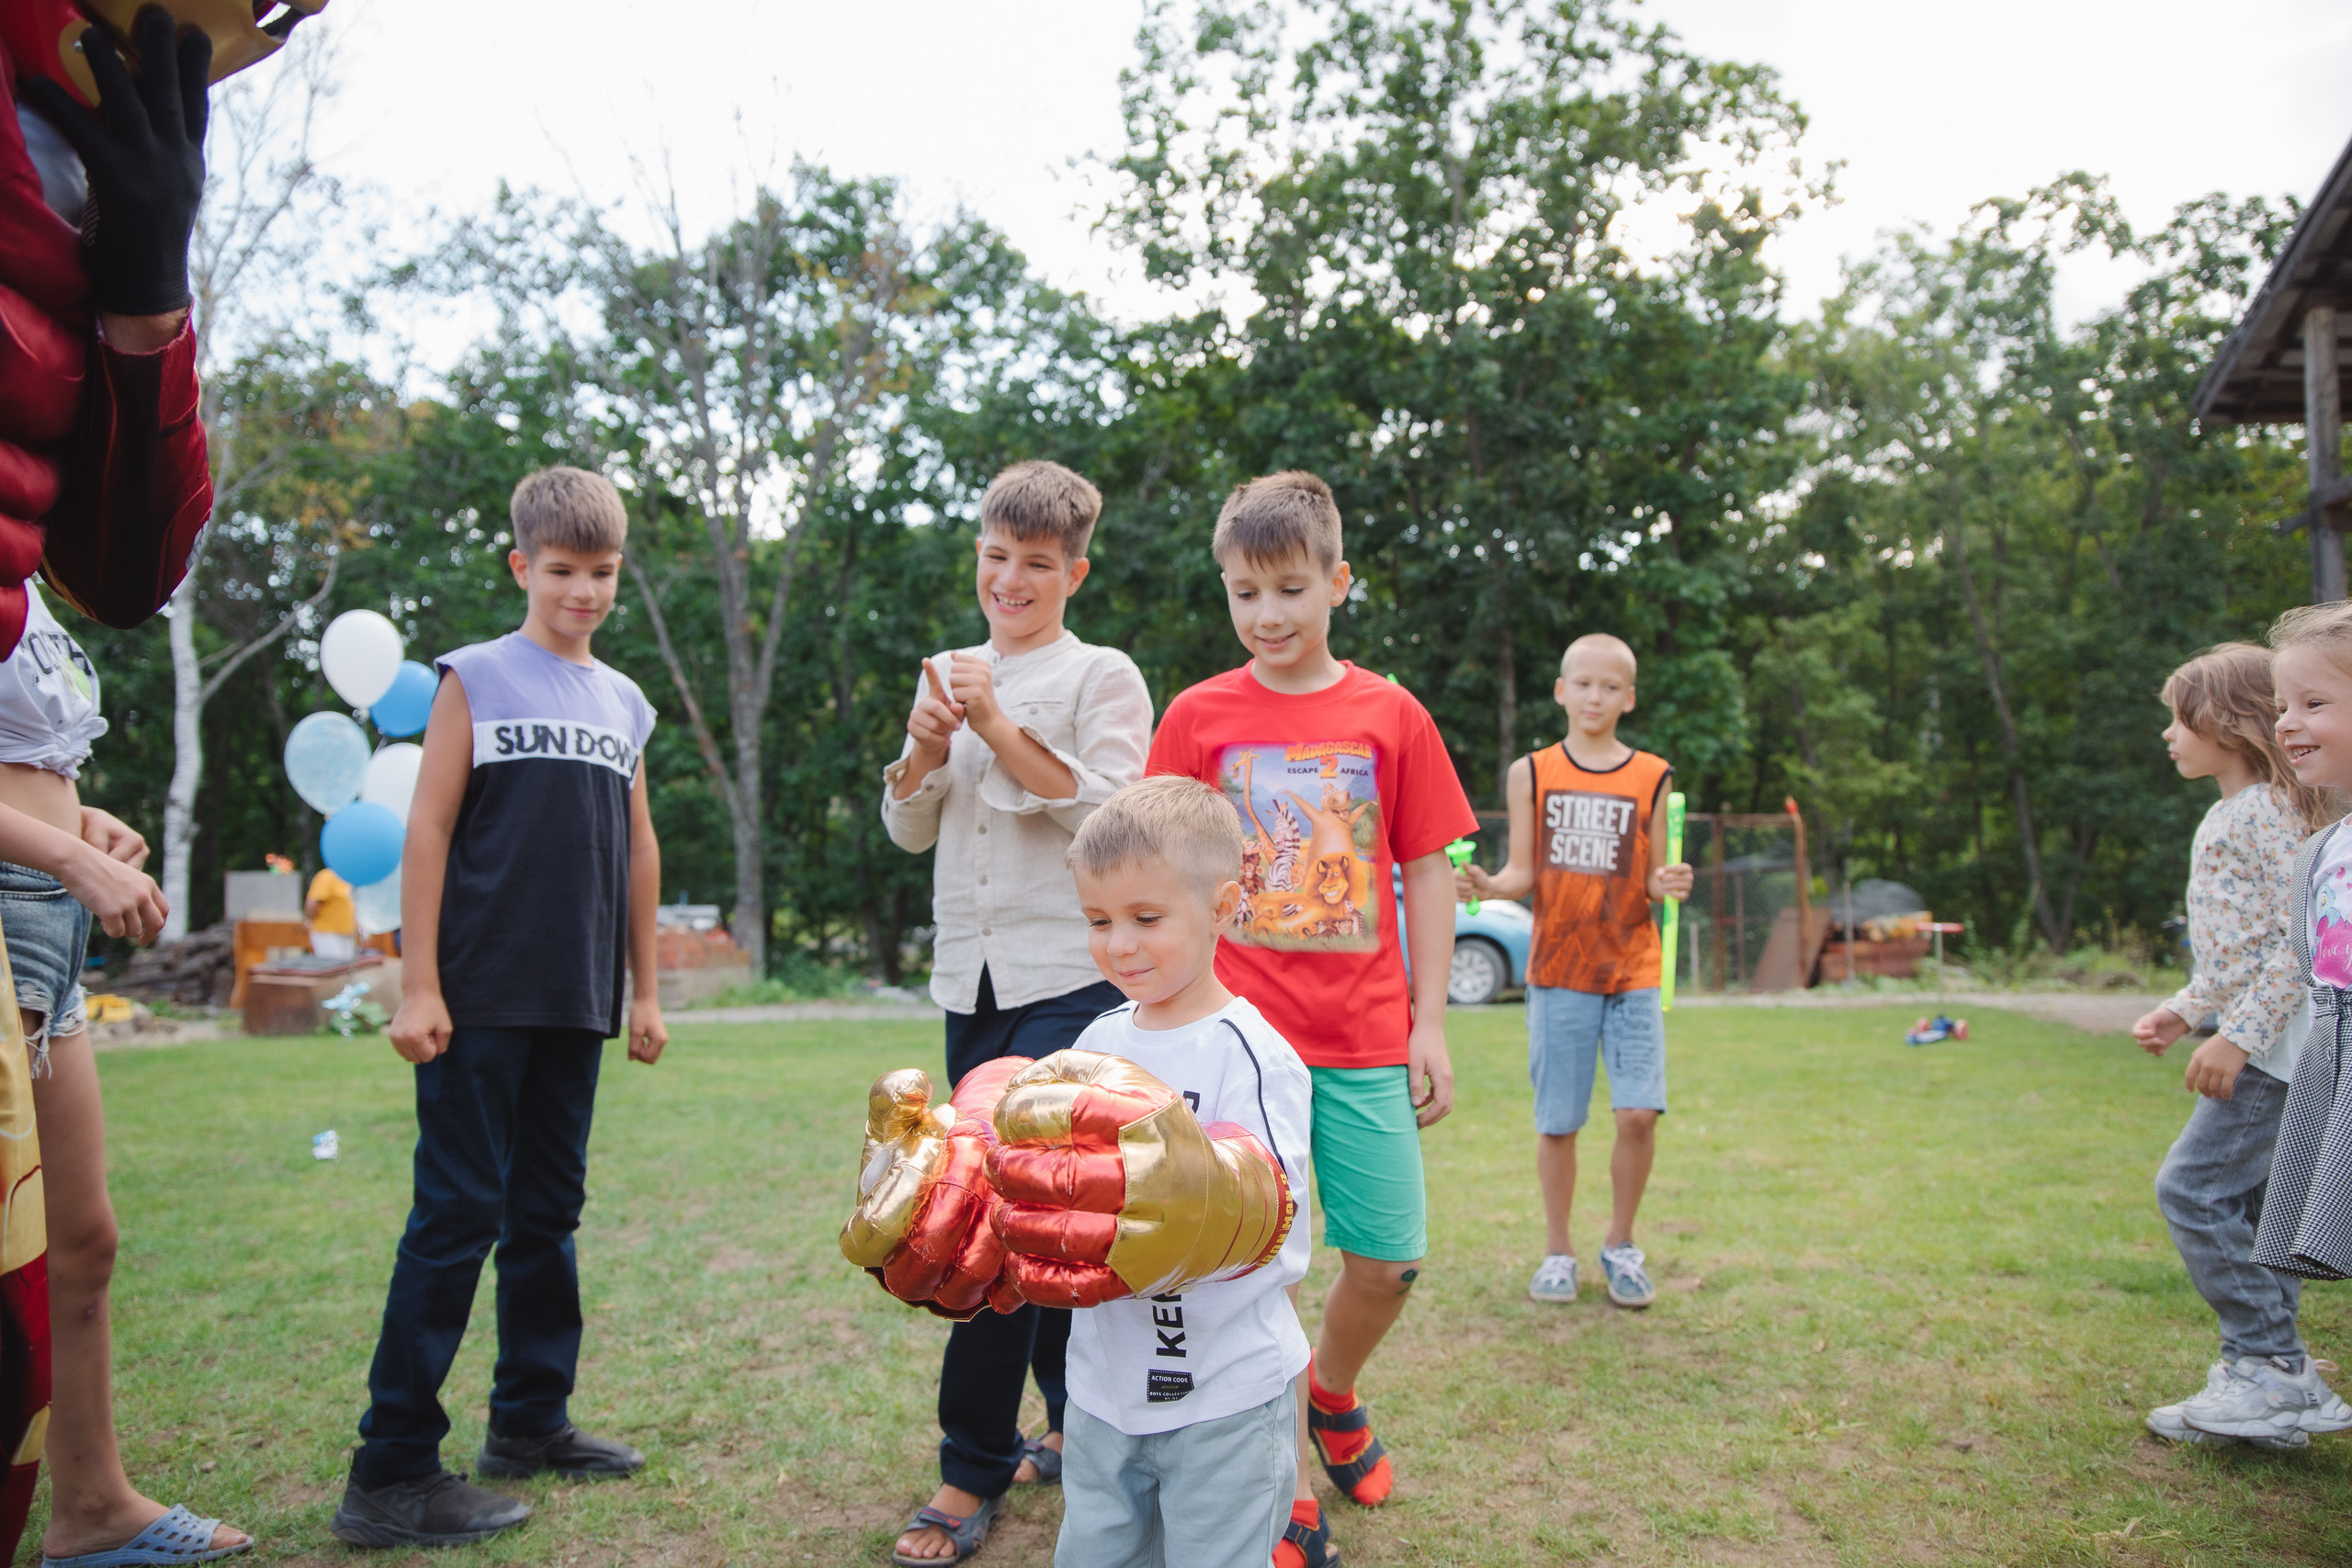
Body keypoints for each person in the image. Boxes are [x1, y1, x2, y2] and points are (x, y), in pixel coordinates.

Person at [330, 467, 668, 1549]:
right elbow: (426, 830)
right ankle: (389, 1471)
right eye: (562, 571)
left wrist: (646, 988)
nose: (583, 591)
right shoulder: (471, 676)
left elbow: (640, 848)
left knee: (547, 1219)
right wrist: (418, 982)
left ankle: (529, 1421)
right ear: (523, 566)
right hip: (474, 998)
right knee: (456, 1217)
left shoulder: (624, 701)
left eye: (602, 573)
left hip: (576, 1000)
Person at [1145, 471, 1475, 1568]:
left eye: (1289, 588)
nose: (1266, 615)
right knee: (1260, 1269)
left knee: (1387, 1262)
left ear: (1338, 582)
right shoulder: (1196, 716)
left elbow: (1427, 870)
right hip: (1240, 1047)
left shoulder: (1391, 715)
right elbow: (1158, 866)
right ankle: (1288, 1485)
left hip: (1367, 1037)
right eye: (1244, 592)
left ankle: (1332, 1393)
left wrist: (1430, 1022)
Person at [880, 459, 1151, 1565]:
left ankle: (968, 1467)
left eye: (1036, 564)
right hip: (971, 984)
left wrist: (991, 722)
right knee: (1013, 1215)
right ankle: (1067, 1430)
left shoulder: (1103, 676)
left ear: (1073, 572)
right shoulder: (948, 672)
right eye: (996, 558)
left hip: (1071, 984)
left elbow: (1110, 818)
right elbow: (906, 829)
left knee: (1014, 1219)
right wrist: (927, 747)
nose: (1011, 580)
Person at [1046, 775, 1313, 1567]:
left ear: (1225, 906)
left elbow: (1277, 1226)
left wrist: (1162, 1216)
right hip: (1101, 1390)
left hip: (1225, 1397)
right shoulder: (1094, 1042)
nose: (1119, 943)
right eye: (1099, 920)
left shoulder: (1254, 1055)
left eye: (1145, 918)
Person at [2127, 644, 2345, 1449]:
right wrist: (2188, 1009)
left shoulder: (2267, 813)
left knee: (2193, 1189)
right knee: (2256, 1208)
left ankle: (2273, 1366)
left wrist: (2238, 1039)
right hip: (2264, 1036)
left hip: (2275, 1049)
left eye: (2177, 716)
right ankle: (2271, 1383)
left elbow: (2304, 941)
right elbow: (2241, 949)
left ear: (2224, 720)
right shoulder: (2242, 810)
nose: (2167, 733)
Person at [1456, 634, 1692, 1310]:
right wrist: (1488, 884)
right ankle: (1558, 1252)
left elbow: (1654, 879)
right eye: (1583, 683)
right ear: (1560, 690)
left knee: (1640, 1113)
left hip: (1634, 969)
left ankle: (1620, 1244)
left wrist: (1671, 880)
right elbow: (1523, 872)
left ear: (1629, 697)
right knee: (1558, 1121)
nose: (1595, 696)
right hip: (1558, 970)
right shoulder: (1530, 771)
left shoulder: (1654, 774)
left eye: (1610, 686)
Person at [2211, 604, 2352, 1446]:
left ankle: (2274, 1371)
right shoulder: (2324, 847)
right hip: (2331, 1072)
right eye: (2283, 703)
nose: (2288, 721)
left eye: (2314, 702)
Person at [306, 865, 356, 959]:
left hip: (347, 932)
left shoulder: (350, 878)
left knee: (345, 969)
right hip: (327, 933)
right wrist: (311, 920)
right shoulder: (326, 876)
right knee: (333, 968)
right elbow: (313, 902)